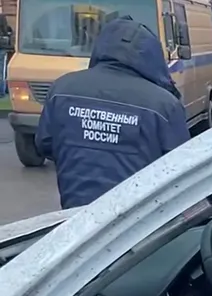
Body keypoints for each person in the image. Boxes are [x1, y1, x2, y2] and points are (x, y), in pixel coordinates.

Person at [35, 17, 188, 209]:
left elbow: (44, 144)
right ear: (153, 56)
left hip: (75, 216)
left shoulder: (62, 89)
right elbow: (182, 168)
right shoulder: (164, 105)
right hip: (137, 222)